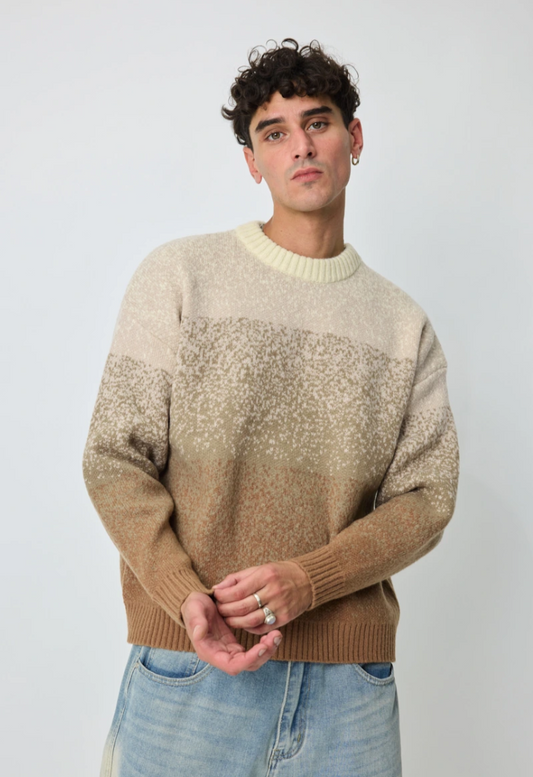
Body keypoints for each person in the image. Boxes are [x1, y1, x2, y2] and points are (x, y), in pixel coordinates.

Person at [83, 38, 459, 777]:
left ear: (354, 138)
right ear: (253, 162)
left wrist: (311, 578)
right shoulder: (181, 275)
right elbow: (114, 457)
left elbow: (427, 498)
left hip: (348, 688)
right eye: (274, 132)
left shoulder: (401, 324)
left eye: (318, 123)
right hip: (190, 664)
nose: (301, 146)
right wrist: (182, 595)